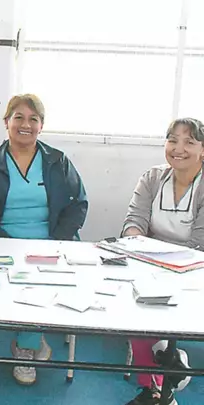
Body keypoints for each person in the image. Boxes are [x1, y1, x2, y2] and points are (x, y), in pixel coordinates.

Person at [0, 94, 88, 385]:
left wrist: (56, 241)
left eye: (33, 119)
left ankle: (26, 345)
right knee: (24, 278)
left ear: (41, 126)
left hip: (51, 244)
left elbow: (78, 204)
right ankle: (30, 341)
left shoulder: (58, 161)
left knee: (37, 280)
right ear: (6, 122)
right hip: (2, 244)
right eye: (18, 117)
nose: (26, 124)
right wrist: (6, 243)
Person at [121, 117, 201, 405]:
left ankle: (158, 380)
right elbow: (133, 222)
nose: (178, 148)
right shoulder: (152, 178)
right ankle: (163, 377)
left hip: (195, 267)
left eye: (189, 142)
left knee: (148, 307)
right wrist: (138, 248)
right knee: (133, 305)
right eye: (173, 140)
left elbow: (200, 244)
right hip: (149, 263)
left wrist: (159, 262)